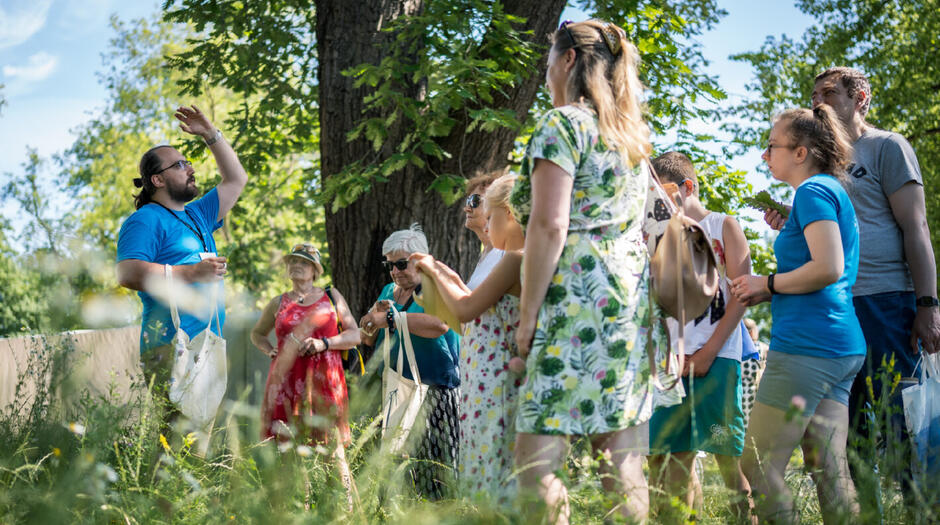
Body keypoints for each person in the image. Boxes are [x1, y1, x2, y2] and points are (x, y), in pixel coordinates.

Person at [764, 67, 940, 514]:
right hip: (835, 310)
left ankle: (921, 513)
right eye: (814, 94)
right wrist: (794, 223)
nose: (820, 100)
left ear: (860, 97)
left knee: (900, 423)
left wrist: (927, 303)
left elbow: (915, 226)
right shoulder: (824, 161)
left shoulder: (887, 146)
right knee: (849, 435)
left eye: (829, 92)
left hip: (886, 301)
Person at [508, 19, 661, 523]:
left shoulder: (563, 125)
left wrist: (527, 319)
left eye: (549, 60)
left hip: (574, 295)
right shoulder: (632, 139)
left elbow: (549, 227)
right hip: (626, 299)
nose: (546, 71)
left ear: (568, 59)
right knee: (622, 464)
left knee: (536, 464)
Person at [732, 104, 865, 524]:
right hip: (837, 347)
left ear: (801, 152)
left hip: (808, 348)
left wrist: (765, 284)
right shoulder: (825, 191)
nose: (765, 155)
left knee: (758, 462)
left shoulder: (812, 191)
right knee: (829, 468)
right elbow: (820, 262)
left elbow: (829, 267)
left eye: (771, 146)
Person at [116, 105, 247, 422]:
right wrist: (190, 272)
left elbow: (236, 179)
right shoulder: (145, 220)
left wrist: (209, 133)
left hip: (207, 344)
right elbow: (128, 272)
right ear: (157, 179)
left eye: (188, 163)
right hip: (171, 346)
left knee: (197, 452)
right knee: (178, 448)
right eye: (179, 165)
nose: (190, 169)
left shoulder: (197, 215)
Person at [646, 152, 753, 523]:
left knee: (728, 462)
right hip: (670, 365)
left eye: (662, 193)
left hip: (717, 361)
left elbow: (742, 294)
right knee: (667, 462)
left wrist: (707, 353)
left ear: (687, 187)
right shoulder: (655, 235)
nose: (655, 203)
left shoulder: (724, 226)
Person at [410, 173, 524, 502]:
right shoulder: (501, 256)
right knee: (483, 460)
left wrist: (433, 270)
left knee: (495, 467)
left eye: (491, 214)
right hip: (481, 374)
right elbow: (474, 317)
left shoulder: (514, 257)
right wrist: (440, 274)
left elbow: (466, 309)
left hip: (499, 376)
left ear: (510, 214)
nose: (485, 221)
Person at [250, 243, 360, 504]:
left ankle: (344, 513)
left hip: (325, 383)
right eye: (292, 261)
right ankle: (298, 510)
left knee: (332, 451)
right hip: (286, 384)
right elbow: (256, 334)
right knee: (289, 452)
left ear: (315, 270)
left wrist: (325, 344)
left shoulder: (330, 296)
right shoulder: (278, 302)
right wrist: (270, 351)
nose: (296, 265)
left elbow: (355, 335)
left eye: (304, 262)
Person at [358, 224, 460, 500]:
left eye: (401, 264)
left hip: (434, 391)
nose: (394, 271)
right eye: (389, 265)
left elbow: (439, 324)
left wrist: (390, 319)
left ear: (419, 260)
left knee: (435, 466)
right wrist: (371, 318)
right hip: (395, 389)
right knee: (394, 466)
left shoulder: (435, 287)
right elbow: (367, 340)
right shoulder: (389, 291)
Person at [463, 171, 505, 290]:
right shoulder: (486, 253)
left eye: (474, 201)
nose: (466, 208)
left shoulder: (505, 253)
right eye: (468, 201)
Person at [741, 318, 768, 425]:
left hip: (739, 388)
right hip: (756, 389)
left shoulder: (738, 346)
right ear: (752, 331)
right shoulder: (763, 347)